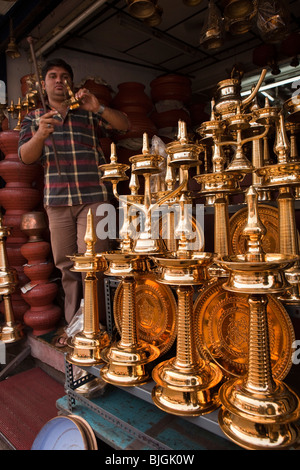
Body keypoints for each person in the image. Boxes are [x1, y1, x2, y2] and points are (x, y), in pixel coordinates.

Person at [18, 58, 130, 346]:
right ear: (44, 84)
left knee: (96, 263)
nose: (58, 81)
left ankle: (103, 327)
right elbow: (25, 157)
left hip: (95, 198)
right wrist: (40, 134)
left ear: (71, 83)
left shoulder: (87, 113)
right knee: (67, 267)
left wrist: (100, 107)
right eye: (53, 76)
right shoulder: (34, 119)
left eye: (64, 76)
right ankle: (75, 327)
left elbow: (126, 125)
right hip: (57, 201)